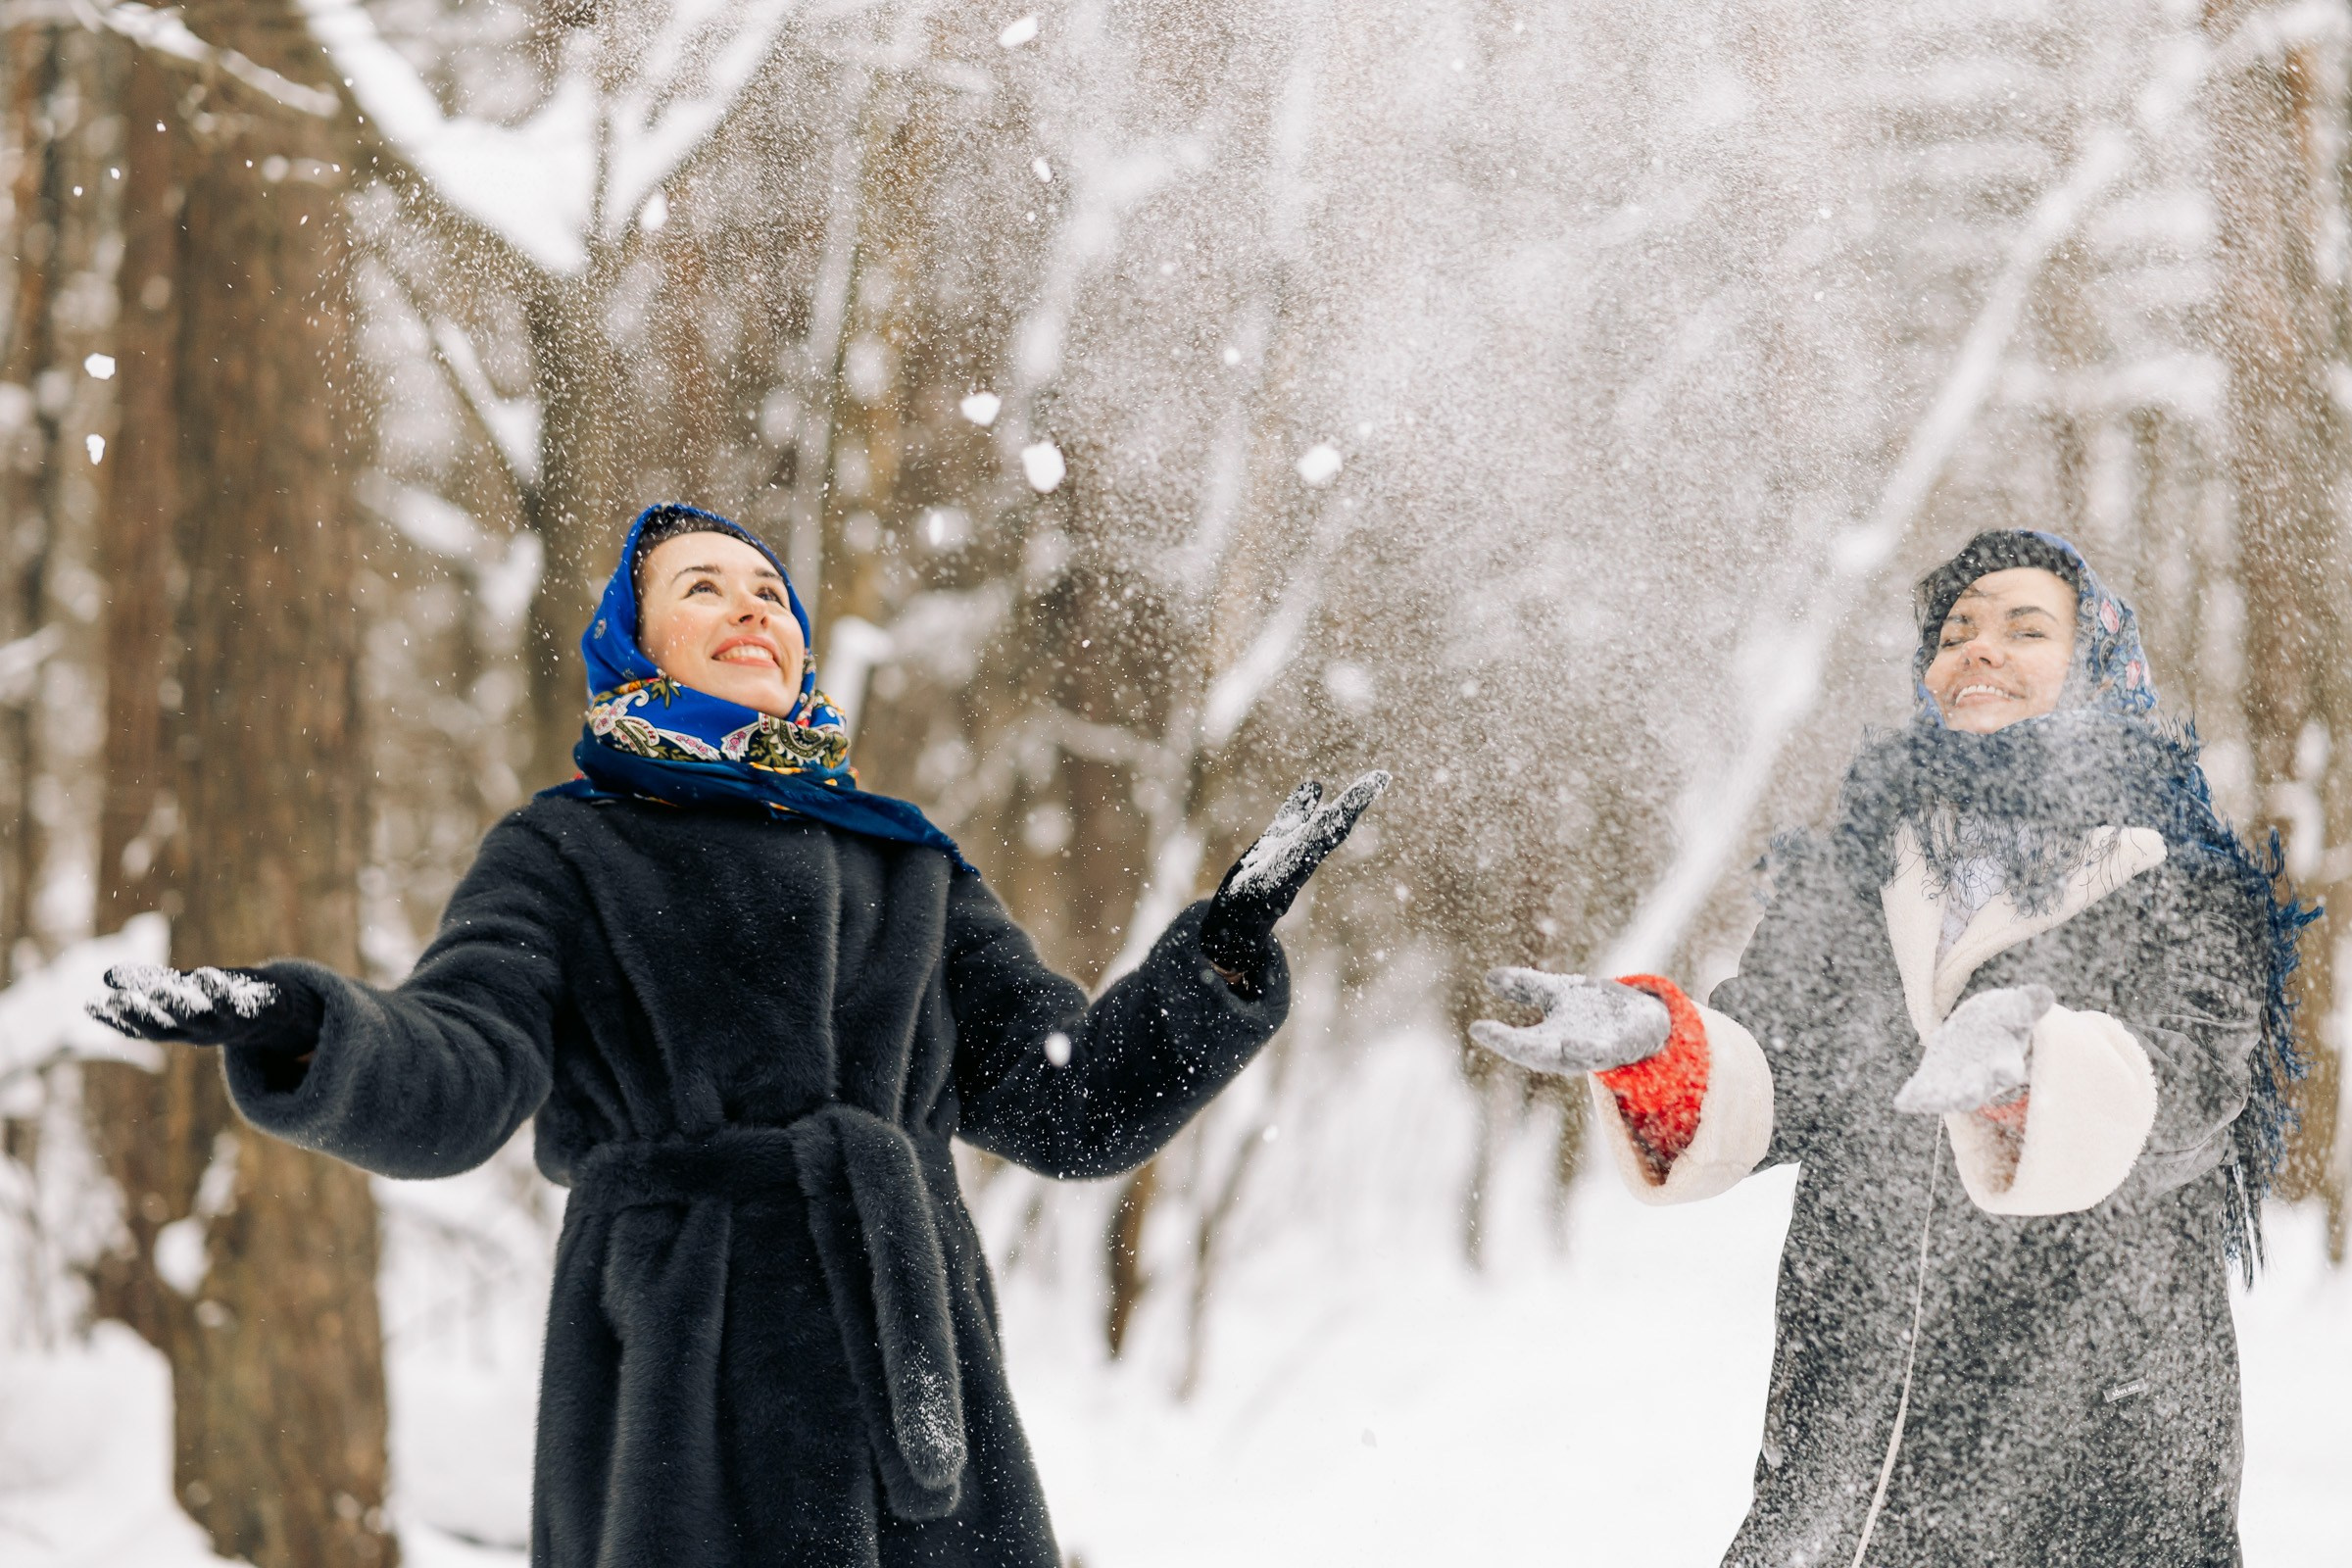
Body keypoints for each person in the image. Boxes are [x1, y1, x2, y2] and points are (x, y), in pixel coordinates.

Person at [90, 502, 1388, 1568]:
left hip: (916, 1379)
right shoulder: (567, 847)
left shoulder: (909, 862)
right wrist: (312, 1031)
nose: (752, 607)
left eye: (771, 593)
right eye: (705, 587)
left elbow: (1068, 1104)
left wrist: (1215, 956)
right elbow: (466, 1058)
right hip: (681, 1366)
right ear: (635, 649)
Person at [1471, 530, 2309, 1565]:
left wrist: (2035, 1079)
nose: (1980, 649)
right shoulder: (1864, 869)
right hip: (1846, 1452)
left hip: (2092, 1458)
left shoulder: (2180, 878)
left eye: (2026, 628)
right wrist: (1663, 1046)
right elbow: (1781, 1056)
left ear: (2099, 663)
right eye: (1956, 631)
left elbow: (2186, 1093)